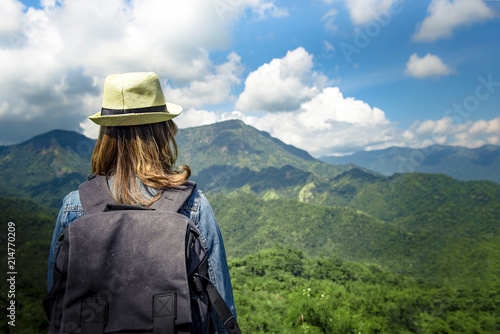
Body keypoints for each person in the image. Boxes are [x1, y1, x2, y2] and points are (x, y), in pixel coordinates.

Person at [46, 72, 237, 332]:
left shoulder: (74, 206)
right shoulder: (193, 205)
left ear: (105, 134)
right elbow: (220, 312)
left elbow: (57, 301)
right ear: (163, 131)